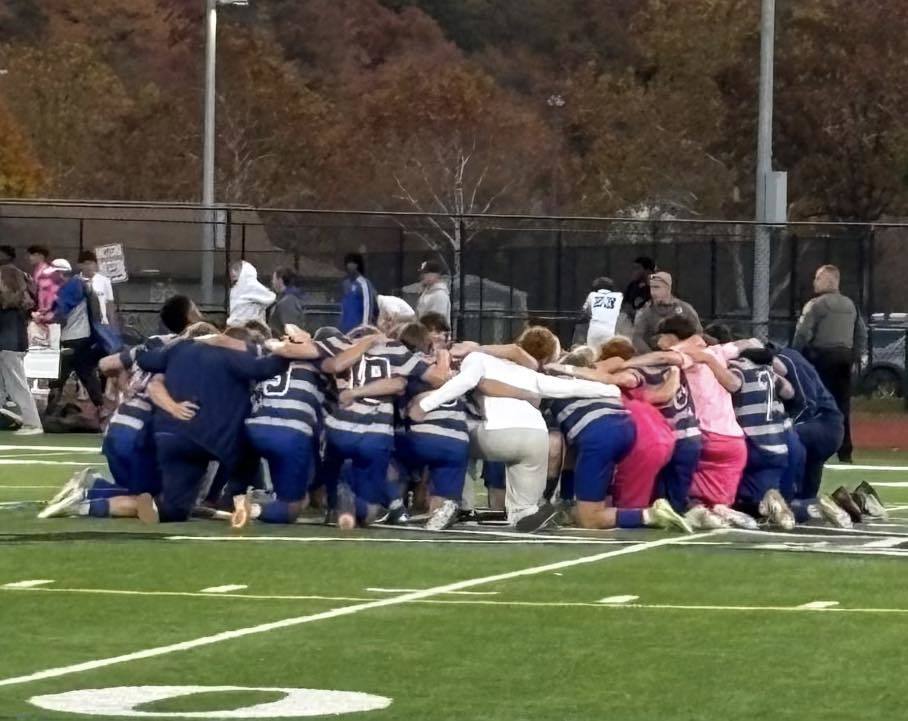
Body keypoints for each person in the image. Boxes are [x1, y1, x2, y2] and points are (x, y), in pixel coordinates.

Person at [414, 327, 623, 531]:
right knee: (523, 510)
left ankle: (458, 505)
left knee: (456, 437)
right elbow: (570, 387)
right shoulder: (526, 372)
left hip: (499, 434)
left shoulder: (475, 359)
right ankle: (527, 513)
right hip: (536, 438)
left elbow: (465, 381)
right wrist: (611, 389)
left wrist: (424, 406)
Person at [792, 264, 866, 463]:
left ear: (828, 280)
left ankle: (814, 446)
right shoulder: (851, 305)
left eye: (818, 278)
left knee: (814, 404)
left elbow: (803, 334)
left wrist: (795, 357)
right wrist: (854, 356)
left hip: (820, 360)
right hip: (844, 359)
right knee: (843, 406)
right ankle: (845, 450)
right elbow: (861, 334)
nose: (814, 282)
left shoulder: (816, 305)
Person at [42, 259, 104, 417]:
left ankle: (50, 412)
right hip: (83, 337)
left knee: (59, 375)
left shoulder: (70, 287)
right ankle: (102, 409)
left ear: (61, 273)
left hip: (72, 337)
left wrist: (43, 318)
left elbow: (61, 314)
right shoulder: (81, 285)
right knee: (86, 372)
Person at [0, 265, 42, 435]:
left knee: (17, 385)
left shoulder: (8, 302)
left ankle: (33, 423)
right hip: (10, 346)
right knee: (3, 386)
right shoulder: (20, 301)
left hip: (9, 347)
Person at [632, 271, 701, 353]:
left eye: (657, 287)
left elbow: (698, 333)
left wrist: (685, 350)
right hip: (655, 356)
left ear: (667, 288)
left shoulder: (685, 308)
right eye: (651, 288)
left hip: (683, 355)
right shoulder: (645, 312)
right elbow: (637, 338)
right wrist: (652, 355)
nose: (653, 292)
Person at [227, 260, 275, 327]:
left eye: (236, 270)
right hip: (248, 327)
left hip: (233, 324)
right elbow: (271, 298)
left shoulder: (235, 289)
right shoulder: (251, 285)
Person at [339, 253, 378, 333]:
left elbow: (368, 305)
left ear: (357, 265)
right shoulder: (346, 284)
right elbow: (344, 306)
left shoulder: (364, 283)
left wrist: (365, 327)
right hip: (345, 330)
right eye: (348, 263)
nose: (349, 266)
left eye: (352, 263)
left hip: (359, 330)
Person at [582, 277, 623, 351]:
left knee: (593, 356)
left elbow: (585, 311)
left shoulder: (592, 295)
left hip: (594, 332)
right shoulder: (619, 296)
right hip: (611, 332)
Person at [78, 250, 116, 326]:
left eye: (92, 263)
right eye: (86, 264)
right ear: (80, 265)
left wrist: (112, 322)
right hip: (82, 326)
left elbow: (110, 303)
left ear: (95, 265)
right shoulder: (75, 281)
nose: (89, 267)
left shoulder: (104, 280)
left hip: (102, 324)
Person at [269, 267, 306, 336]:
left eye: (274, 279)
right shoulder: (290, 298)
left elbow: (292, 330)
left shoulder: (288, 301)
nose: (272, 282)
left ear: (280, 280)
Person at [416, 260, 451, 326]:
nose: (422, 276)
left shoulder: (439, 294)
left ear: (435, 275)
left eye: (425, 273)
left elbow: (437, 320)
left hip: (434, 334)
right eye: (422, 273)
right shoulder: (426, 292)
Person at [623, 256, 655, 321]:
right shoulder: (632, 286)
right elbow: (627, 305)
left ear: (648, 271)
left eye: (637, 268)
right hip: (634, 322)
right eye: (633, 268)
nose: (634, 271)